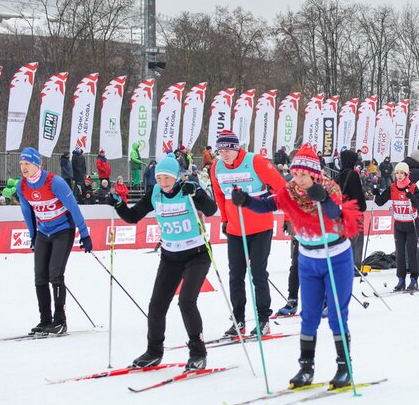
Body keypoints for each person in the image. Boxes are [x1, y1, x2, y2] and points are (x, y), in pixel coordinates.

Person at [230, 145, 362, 389]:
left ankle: (344, 367)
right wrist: (246, 201)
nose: (298, 179)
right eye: (295, 173)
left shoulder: (329, 188)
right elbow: (267, 205)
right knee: (309, 315)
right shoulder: (290, 191)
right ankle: (305, 367)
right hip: (308, 259)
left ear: (314, 174)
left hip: (336, 258)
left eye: (303, 175)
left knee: (336, 315)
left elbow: (335, 213)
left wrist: (321, 197)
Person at [107, 153, 216, 371]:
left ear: (176, 176)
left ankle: (198, 352)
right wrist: (118, 205)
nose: (163, 183)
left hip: (196, 254)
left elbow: (212, 210)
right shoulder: (155, 192)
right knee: (156, 305)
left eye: (167, 178)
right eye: (159, 178)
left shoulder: (188, 188)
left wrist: (197, 194)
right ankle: (153, 351)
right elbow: (133, 217)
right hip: (170, 256)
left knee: (186, 301)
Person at [210, 130, 286, 337]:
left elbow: (282, 186)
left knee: (258, 274)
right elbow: (219, 194)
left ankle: (263, 320)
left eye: (228, 150)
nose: (224, 154)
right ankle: (239, 320)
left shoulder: (256, 161)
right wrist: (224, 220)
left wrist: (287, 214)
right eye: (220, 150)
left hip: (260, 228)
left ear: (236, 148)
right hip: (236, 230)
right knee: (235, 276)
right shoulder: (217, 167)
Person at [15, 147, 93, 334]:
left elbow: (73, 207)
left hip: (62, 231)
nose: (24, 168)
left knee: (55, 274)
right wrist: (33, 235)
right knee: (40, 277)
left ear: (36, 164)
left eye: (27, 164)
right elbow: (27, 212)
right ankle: (45, 320)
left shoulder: (54, 182)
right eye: (21, 164)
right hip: (43, 232)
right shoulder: (22, 186)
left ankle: (60, 321)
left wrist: (84, 234)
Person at [374, 161, 419, 291]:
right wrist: (376, 194)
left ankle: (414, 279)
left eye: (402, 173)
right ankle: (401, 280)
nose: (399, 175)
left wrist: (411, 197)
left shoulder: (413, 187)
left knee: (411, 252)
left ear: (407, 174)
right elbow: (379, 202)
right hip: (399, 225)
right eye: (397, 173)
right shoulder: (392, 187)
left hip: (412, 225)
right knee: (400, 253)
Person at [335, 149, 367, 274]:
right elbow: (358, 196)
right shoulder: (353, 175)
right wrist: (362, 207)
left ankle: (344, 266)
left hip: (342, 212)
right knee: (357, 240)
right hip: (354, 212)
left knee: (344, 240)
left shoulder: (338, 175)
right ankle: (355, 267)